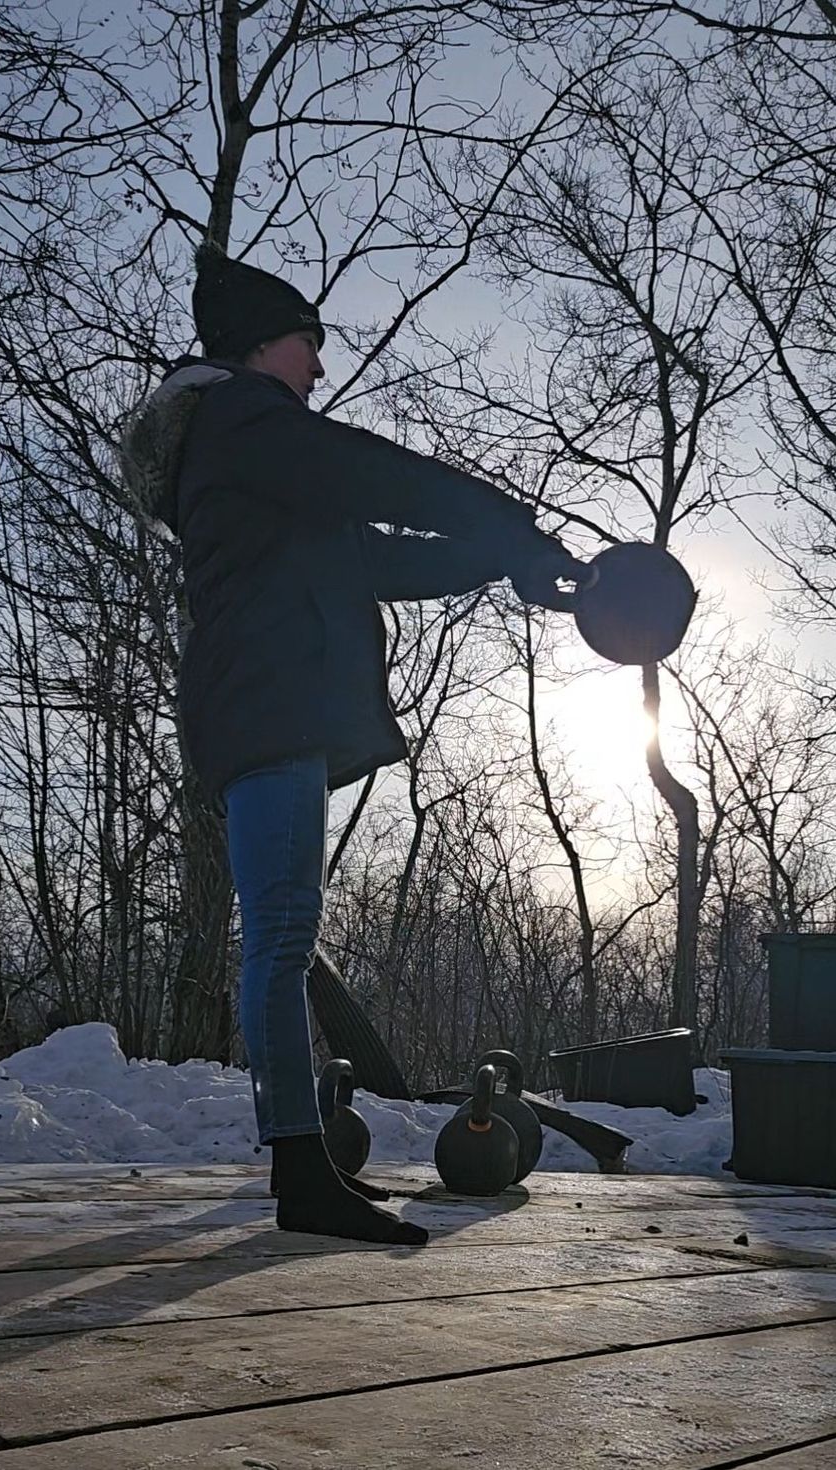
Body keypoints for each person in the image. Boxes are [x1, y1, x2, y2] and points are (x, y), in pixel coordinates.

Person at [120, 244, 585, 1246]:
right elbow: (368, 476)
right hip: (265, 704)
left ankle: (301, 1166)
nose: (318, 369)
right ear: (259, 347)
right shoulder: (244, 422)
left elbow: (369, 554)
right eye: (307, 344)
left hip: (262, 705)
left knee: (284, 935)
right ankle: (298, 1171)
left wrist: (510, 557)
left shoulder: (255, 463)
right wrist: (509, 520)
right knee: (281, 938)